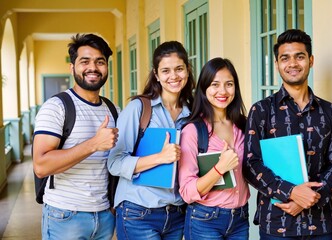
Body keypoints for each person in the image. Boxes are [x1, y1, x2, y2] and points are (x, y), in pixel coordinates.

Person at [243, 29, 332, 239]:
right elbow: (250, 164)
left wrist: (310, 197)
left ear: (311, 60)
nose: (292, 64)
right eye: (285, 58)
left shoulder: (330, 112)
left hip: (319, 223)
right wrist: (291, 192)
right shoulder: (261, 110)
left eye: (299, 56)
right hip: (276, 222)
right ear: (276, 64)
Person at [33, 33, 119, 239]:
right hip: (65, 215)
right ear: (72, 68)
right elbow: (41, 166)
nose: (93, 67)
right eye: (85, 61)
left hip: (105, 215)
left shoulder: (113, 110)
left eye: (100, 62)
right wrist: (93, 144)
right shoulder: (56, 107)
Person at [107, 41, 195, 239]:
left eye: (179, 69)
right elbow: (114, 162)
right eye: (166, 71)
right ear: (156, 74)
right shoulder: (139, 109)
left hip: (177, 214)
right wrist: (160, 157)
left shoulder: (193, 113)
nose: (173, 76)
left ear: (187, 70)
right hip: (138, 212)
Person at [178, 57, 250, 240]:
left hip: (240, 219)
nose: (223, 91)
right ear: (204, 89)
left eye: (229, 84)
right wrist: (219, 169)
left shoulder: (243, 125)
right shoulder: (193, 131)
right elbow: (187, 192)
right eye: (215, 84)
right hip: (205, 220)